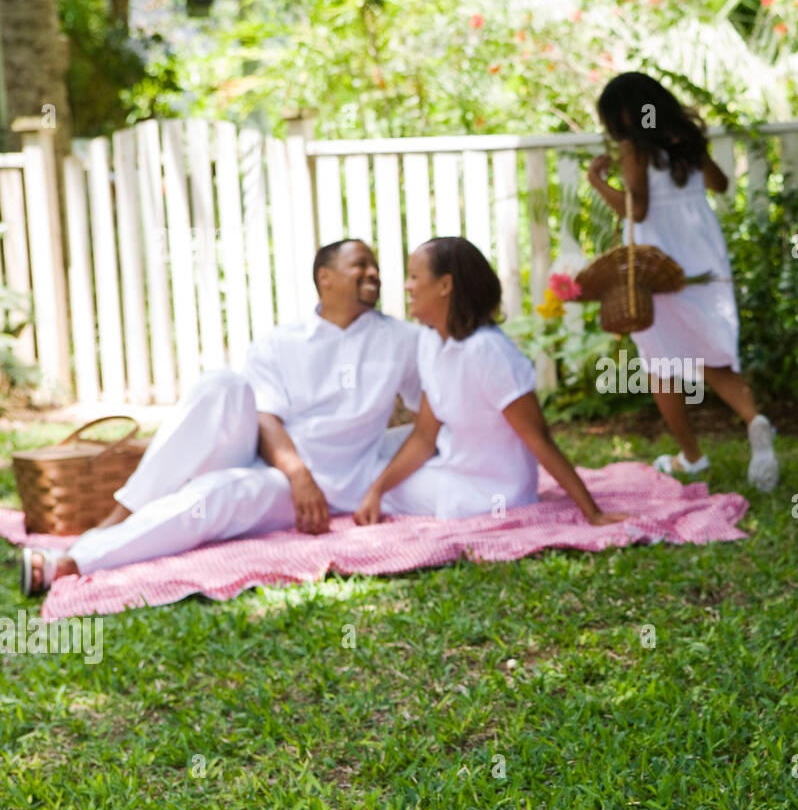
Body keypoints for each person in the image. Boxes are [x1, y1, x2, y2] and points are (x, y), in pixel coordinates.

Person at [19, 239, 441, 595]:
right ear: (325, 278)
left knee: (210, 497)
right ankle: (125, 511)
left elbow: (431, 416)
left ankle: (71, 561)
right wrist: (299, 475)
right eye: (360, 265)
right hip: (275, 463)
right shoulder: (279, 342)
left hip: (319, 486)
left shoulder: (403, 340)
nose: (374, 274)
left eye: (376, 267)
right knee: (222, 383)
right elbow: (266, 419)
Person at [586, 71, 779, 492]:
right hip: (705, 258)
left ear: (623, 113)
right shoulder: (686, 140)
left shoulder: (633, 147)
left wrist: (597, 181)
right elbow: (720, 183)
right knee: (713, 358)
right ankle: (754, 420)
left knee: (662, 365)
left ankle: (691, 457)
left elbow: (635, 210)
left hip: (661, 268)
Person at [353, 236, 627, 527]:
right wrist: (376, 491)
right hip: (451, 476)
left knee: (357, 482)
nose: (407, 286)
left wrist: (592, 512)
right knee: (363, 478)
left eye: (414, 277)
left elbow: (538, 436)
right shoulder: (430, 342)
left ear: (445, 286)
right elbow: (424, 438)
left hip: (496, 496)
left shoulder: (489, 352)